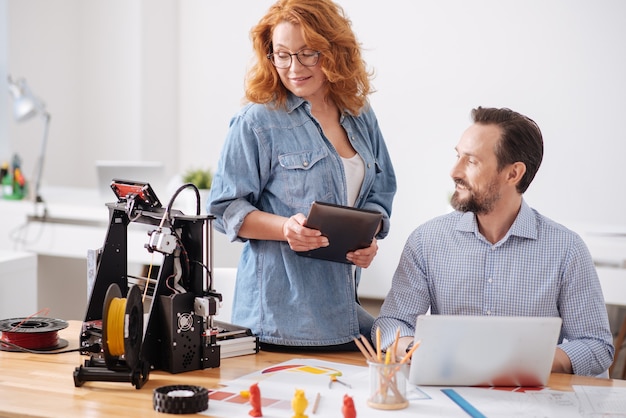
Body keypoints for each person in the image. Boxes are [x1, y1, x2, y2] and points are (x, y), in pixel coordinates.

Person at [208, 0, 396, 350]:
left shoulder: (358, 113)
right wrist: (285, 229)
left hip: (344, 313)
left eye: (308, 53)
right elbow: (224, 208)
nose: (294, 67)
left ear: (334, 51)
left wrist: (368, 239)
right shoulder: (256, 121)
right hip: (280, 322)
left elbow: (380, 192)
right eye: (282, 54)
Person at [373, 106, 614, 376]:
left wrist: (525, 362)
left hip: (531, 401)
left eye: (472, 161)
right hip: (448, 395)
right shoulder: (426, 241)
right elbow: (391, 323)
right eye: (457, 156)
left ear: (513, 174)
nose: (455, 171)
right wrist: (415, 350)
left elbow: (596, 346)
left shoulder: (567, 250)